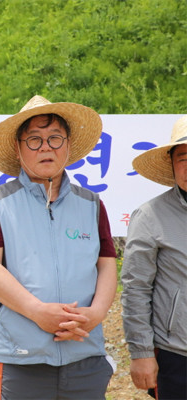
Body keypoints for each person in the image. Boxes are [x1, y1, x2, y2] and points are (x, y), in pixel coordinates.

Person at [0, 95, 117, 399]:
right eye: (34, 140)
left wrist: (96, 313)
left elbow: (106, 264)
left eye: (54, 138)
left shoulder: (91, 204)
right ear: (19, 150)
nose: (46, 147)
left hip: (84, 354)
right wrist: (37, 312)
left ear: (68, 146)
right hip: (22, 359)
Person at [121, 115, 187, 400]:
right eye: (184, 157)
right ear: (172, 164)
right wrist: (142, 353)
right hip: (176, 355)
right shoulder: (151, 216)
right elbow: (136, 288)